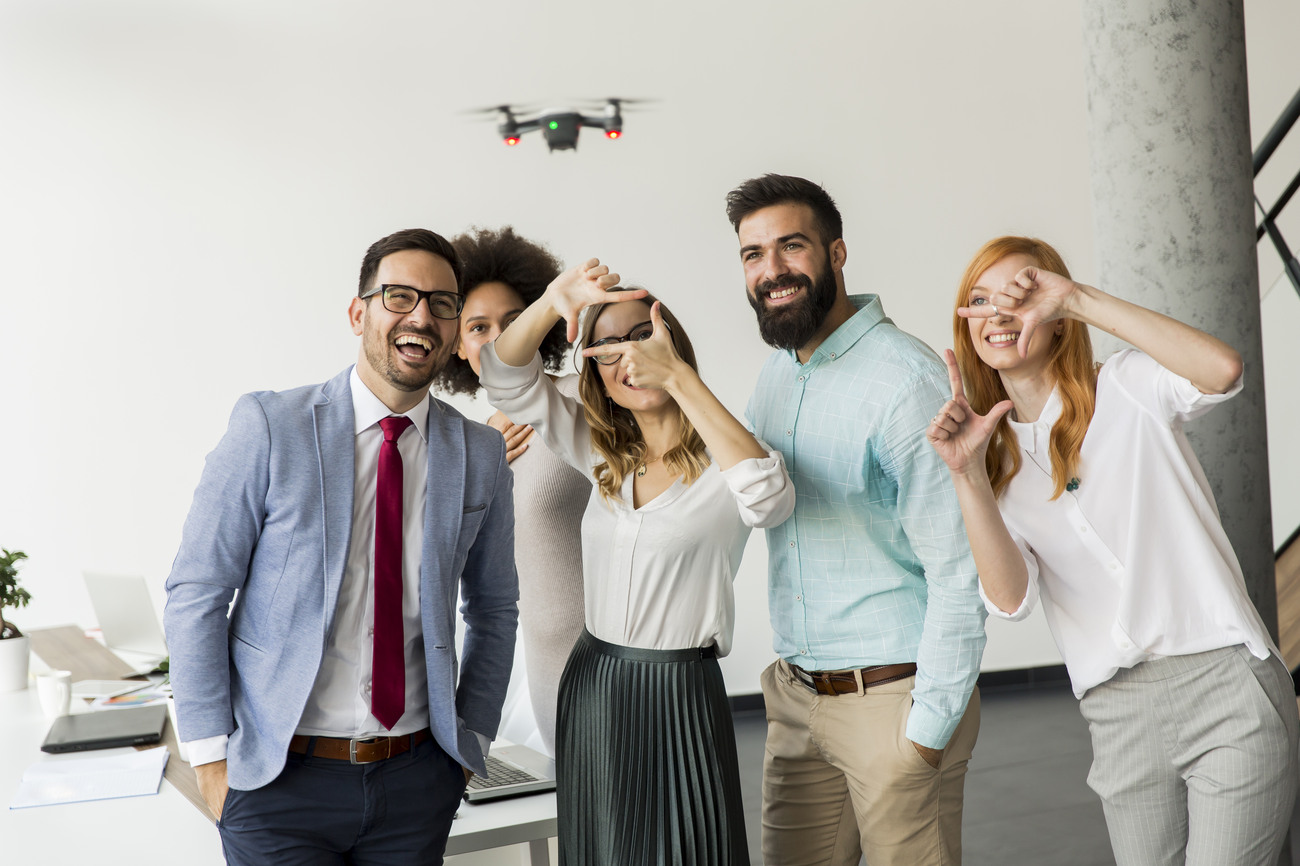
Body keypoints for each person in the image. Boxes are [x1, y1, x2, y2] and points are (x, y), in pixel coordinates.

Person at [926, 235, 1299, 866]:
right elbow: (1011, 600)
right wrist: (965, 476)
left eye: (1022, 294)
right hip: (1117, 716)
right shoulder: (988, 460)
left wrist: (1077, 298)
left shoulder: (1128, 387)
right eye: (981, 300)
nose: (999, 313)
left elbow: (1223, 371)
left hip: (1224, 685)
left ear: (1053, 317)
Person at [164, 228, 519, 866]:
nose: (422, 317)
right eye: (399, 296)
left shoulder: (480, 452)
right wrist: (210, 761)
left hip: (415, 782)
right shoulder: (271, 426)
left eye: (442, 304)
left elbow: (494, 608)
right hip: (279, 783)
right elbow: (198, 590)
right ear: (359, 313)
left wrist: (469, 746)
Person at [479, 260, 795, 865]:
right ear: (594, 371)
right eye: (606, 350)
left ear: (673, 341)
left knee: (688, 847)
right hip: (594, 682)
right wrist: (553, 300)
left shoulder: (730, 455)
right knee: (604, 848)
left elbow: (769, 500)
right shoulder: (598, 450)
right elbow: (504, 376)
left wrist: (678, 378)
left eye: (643, 338)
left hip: (681, 689)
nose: (628, 359)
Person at [725, 173, 986, 866]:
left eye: (791, 247)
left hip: (893, 703)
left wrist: (925, 736)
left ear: (836, 254)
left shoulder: (907, 382)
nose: (771, 270)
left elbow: (961, 571)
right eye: (753, 254)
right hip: (797, 698)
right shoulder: (778, 373)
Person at [438, 225, 590, 754]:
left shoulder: (580, 401)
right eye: (478, 327)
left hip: (601, 663)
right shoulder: (469, 443)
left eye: (514, 321)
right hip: (530, 668)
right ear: (456, 344)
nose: (498, 338)